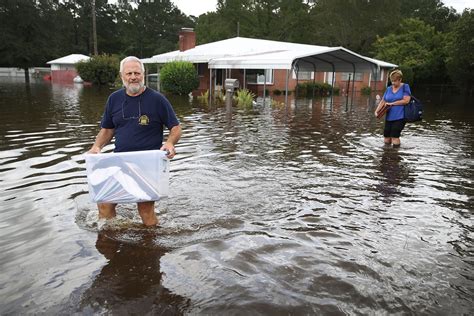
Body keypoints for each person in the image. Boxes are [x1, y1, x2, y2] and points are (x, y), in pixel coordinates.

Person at [88, 56, 182, 226]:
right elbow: (107, 129)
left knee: (145, 210)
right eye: (129, 73)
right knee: (104, 203)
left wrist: (169, 143)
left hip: (147, 164)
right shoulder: (114, 99)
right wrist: (96, 146)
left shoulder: (157, 100)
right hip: (120, 162)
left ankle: (152, 242)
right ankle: (111, 238)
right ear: (122, 75)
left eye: (137, 73)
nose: (133, 77)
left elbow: (175, 128)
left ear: (143, 75)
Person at [374, 69, 411, 147]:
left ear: (400, 79)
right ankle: (386, 153)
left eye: (395, 81)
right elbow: (383, 101)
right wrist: (376, 111)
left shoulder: (405, 87)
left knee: (395, 136)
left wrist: (392, 103)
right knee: (386, 137)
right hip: (389, 117)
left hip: (400, 117)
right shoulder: (389, 88)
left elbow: (406, 101)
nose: (393, 83)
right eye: (392, 81)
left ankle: (395, 155)